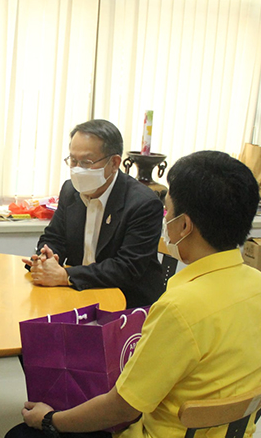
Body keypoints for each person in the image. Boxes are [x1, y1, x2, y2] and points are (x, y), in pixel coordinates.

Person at [4, 151, 261, 438]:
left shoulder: (181, 306)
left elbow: (121, 409)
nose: (165, 219)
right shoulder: (260, 287)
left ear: (184, 226)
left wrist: (51, 421)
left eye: (168, 211)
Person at [22, 119, 164, 309]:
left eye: (86, 162)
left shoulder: (143, 203)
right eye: (73, 160)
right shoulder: (70, 190)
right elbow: (54, 236)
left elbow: (127, 267)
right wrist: (47, 258)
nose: (77, 169)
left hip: (126, 304)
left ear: (114, 163)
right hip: (77, 295)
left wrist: (66, 276)